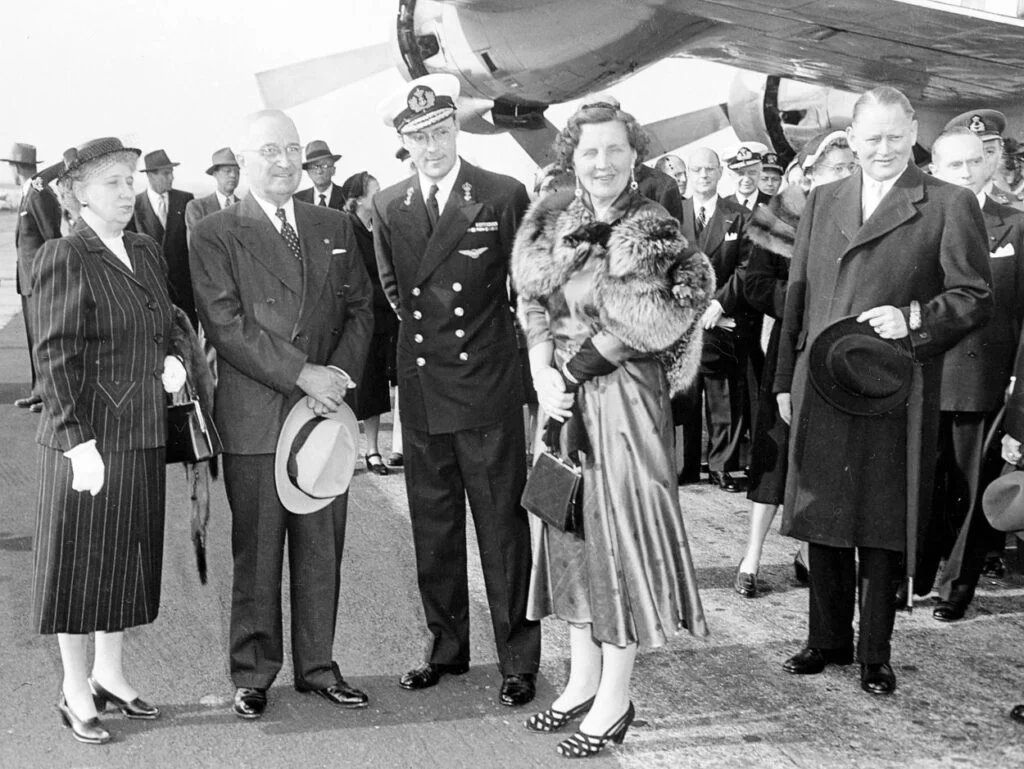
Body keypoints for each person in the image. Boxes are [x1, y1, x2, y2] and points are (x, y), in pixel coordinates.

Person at [776, 86, 993, 696]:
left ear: (913, 131)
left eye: (895, 136)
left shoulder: (946, 203)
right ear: (852, 135)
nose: (883, 149)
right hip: (820, 383)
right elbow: (796, 296)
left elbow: (975, 296)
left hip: (891, 387)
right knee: (823, 516)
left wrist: (916, 317)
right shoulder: (822, 199)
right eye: (870, 137)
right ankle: (826, 640)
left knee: (879, 522)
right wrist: (780, 384)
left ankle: (875, 651)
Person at [512, 100, 711, 759]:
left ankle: (616, 697)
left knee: (615, 546)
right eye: (589, 150)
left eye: (615, 149)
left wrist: (569, 375)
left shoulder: (650, 224)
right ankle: (580, 679)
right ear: (570, 154)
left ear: (634, 154)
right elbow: (533, 298)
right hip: (561, 395)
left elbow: (645, 316)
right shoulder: (553, 219)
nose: (602, 161)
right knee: (567, 531)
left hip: (622, 401)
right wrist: (542, 370)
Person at [190, 110, 374, 720]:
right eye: (270, 149)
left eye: (293, 148)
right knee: (259, 550)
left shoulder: (334, 223)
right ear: (243, 160)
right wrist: (304, 374)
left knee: (322, 547)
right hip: (258, 415)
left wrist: (337, 380)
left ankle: (318, 666)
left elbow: (362, 310)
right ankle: (254, 672)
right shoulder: (215, 231)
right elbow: (226, 324)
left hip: (325, 414)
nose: (286, 160)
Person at [373, 73, 541, 706]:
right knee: (434, 529)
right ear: (404, 143)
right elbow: (394, 292)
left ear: (456, 130)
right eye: (419, 137)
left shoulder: (500, 194)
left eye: (441, 131)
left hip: (487, 388)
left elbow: (527, 293)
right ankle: (446, 649)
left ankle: (518, 658)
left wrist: (530, 384)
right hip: (422, 388)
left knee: (501, 529)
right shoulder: (389, 206)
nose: (433, 146)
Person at [31, 137, 188, 744]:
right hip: (89, 443)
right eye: (112, 184)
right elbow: (55, 357)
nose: (126, 192)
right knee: (80, 567)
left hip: (141, 431)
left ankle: (111, 676)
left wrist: (174, 357)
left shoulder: (145, 249)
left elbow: (166, 319)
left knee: (126, 562)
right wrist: (75, 441)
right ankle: (75, 691)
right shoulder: (64, 256)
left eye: (129, 180)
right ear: (77, 195)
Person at [735, 130, 856, 597]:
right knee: (774, 458)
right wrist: (807, 302)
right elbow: (755, 284)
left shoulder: (864, 214)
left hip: (841, 355)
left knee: (824, 459)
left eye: (852, 167)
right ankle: (751, 557)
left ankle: (807, 552)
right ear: (812, 173)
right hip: (788, 351)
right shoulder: (783, 215)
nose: (848, 175)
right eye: (839, 168)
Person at [915, 127, 1024, 621]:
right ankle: (912, 575)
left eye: (974, 163)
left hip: (982, 375)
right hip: (921, 370)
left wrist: (1017, 381)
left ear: (988, 162)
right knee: (920, 481)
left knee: (970, 483)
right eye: (954, 166)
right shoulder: (917, 218)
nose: (965, 173)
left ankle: (957, 583)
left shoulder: (1016, 226)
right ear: (935, 168)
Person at [675, 146, 752, 492]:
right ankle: (685, 465)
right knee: (685, 396)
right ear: (689, 175)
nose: (703, 175)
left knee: (722, 395)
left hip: (722, 320)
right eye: (697, 170)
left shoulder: (738, 215)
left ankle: (721, 466)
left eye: (709, 169)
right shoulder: (673, 214)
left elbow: (747, 266)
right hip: (683, 321)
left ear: (721, 172)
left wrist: (720, 306)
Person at [338, 170, 397, 475]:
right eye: (375, 191)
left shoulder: (376, 227)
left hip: (379, 320)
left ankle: (373, 451)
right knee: (351, 391)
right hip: (355, 321)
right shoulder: (346, 228)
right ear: (358, 199)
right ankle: (347, 453)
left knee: (373, 389)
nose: (381, 195)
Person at [4, 142, 61, 412]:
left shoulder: (39, 194)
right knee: (34, 339)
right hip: (28, 281)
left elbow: (52, 238)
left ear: (17, 168)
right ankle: (38, 393)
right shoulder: (31, 192)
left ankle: (51, 397)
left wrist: (51, 278)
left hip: (40, 281)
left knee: (44, 340)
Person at [130, 149, 197, 327]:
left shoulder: (185, 200)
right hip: (153, 290)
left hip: (184, 289)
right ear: (151, 175)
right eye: (166, 173)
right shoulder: (134, 206)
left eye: (172, 173)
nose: (171, 178)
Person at [184, 147, 241, 236]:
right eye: (227, 171)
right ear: (215, 174)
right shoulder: (197, 207)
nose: (233, 175)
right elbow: (197, 244)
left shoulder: (247, 208)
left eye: (237, 171)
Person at [295, 140, 344, 208]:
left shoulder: (346, 197)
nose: (319, 171)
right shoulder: (298, 200)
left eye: (324, 166)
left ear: (333, 170)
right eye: (314, 167)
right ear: (308, 173)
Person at [725, 143, 771, 211]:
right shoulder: (721, 208)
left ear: (760, 173)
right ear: (731, 175)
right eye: (740, 174)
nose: (746, 179)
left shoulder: (773, 204)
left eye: (752, 173)